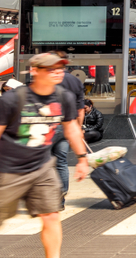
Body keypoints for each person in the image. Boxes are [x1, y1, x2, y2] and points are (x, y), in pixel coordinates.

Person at [0, 53, 89, 258]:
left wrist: (82, 157)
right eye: (51, 69)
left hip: (42, 168)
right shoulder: (12, 99)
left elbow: (71, 129)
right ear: (34, 71)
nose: (58, 72)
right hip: (7, 171)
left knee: (52, 216)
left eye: (60, 68)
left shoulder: (64, 97)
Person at [49, 51, 84, 207]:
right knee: (61, 162)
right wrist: (78, 128)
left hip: (47, 127)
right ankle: (60, 200)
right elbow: (80, 109)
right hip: (66, 126)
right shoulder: (75, 82)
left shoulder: (46, 77)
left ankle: (46, 198)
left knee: (43, 162)